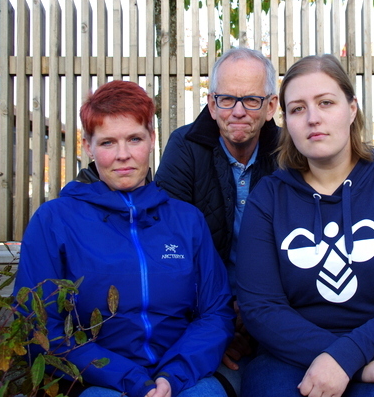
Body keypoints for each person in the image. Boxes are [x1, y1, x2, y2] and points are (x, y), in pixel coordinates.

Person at [236, 55, 374, 397]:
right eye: (297, 109)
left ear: (352, 108)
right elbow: (260, 307)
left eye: (326, 102)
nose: (313, 118)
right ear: (286, 122)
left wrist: (347, 356)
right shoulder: (269, 197)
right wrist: (345, 360)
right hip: (291, 356)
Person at [13, 80, 234, 397]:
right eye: (107, 143)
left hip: (181, 376)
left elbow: (215, 313)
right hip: (98, 382)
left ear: (152, 139)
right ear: (87, 146)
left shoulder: (187, 221)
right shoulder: (55, 222)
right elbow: (39, 327)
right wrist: (131, 380)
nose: (123, 155)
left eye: (134, 139)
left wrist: (173, 376)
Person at [154, 48, 280, 393]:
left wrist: (254, 316)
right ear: (211, 104)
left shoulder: (290, 154)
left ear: (270, 106)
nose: (237, 111)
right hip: (203, 314)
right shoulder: (185, 147)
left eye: (251, 100)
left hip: (274, 314)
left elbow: (298, 249)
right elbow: (170, 246)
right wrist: (218, 323)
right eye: (226, 99)